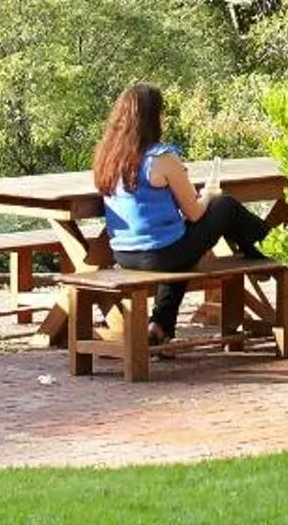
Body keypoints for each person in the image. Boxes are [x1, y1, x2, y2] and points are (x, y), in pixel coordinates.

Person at [90, 82, 275, 344]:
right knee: (225, 206)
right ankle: (273, 249)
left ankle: (160, 326)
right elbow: (196, 213)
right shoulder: (162, 158)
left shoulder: (107, 157)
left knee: (181, 252)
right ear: (154, 117)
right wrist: (209, 195)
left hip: (124, 254)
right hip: (162, 253)